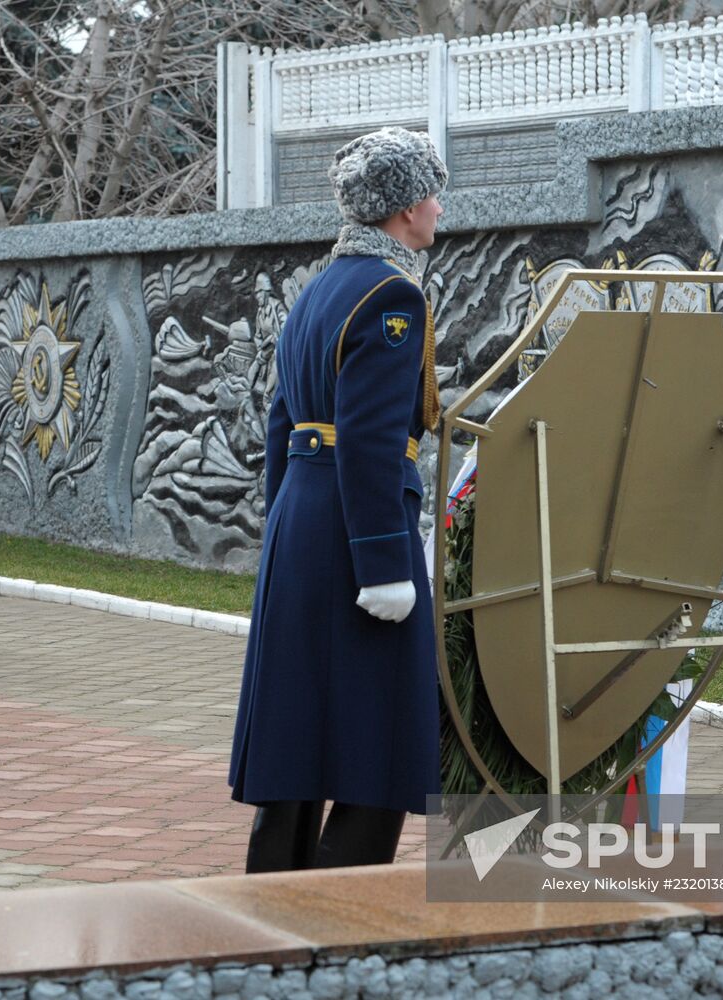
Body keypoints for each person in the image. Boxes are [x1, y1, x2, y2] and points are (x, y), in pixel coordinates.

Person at [230, 126, 445, 871]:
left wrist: (284, 519)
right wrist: (384, 562)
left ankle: (273, 885)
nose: (438, 209)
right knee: (377, 731)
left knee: (299, 724)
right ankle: (342, 898)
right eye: (431, 195)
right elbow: (372, 439)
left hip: (306, 516)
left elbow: (281, 419)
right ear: (405, 207)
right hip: (358, 529)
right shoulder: (392, 294)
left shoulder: (319, 287)